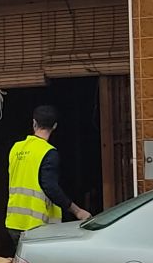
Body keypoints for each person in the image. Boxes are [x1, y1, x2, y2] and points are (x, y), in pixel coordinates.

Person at [6, 104, 90, 251]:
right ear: (55, 126)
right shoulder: (49, 152)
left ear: (34, 123)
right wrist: (77, 211)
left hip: (13, 222)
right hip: (37, 226)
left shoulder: (16, 148)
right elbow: (50, 187)